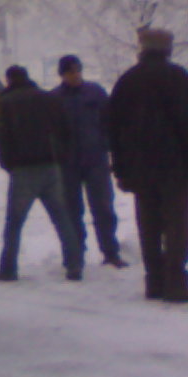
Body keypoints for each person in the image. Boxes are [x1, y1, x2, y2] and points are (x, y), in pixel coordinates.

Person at [108, 28, 188, 302]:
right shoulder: (178, 77)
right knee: (177, 225)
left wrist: (120, 168)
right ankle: (176, 283)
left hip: (139, 168)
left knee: (149, 224)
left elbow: (112, 128)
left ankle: (153, 283)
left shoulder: (126, 81)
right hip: (174, 167)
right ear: (167, 49)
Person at [0, 65, 83, 282]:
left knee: (15, 222)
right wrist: (61, 157)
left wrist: (7, 163)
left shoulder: (5, 104)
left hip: (22, 169)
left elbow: (1, 137)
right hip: (51, 166)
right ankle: (75, 265)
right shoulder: (49, 99)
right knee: (62, 217)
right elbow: (66, 130)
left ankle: (9, 268)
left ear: (9, 80)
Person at [55, 54, 127, 268]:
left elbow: (110, 121)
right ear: (62, 75)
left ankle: (110, 252)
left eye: (77, 70)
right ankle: (76, 254)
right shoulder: (55, 99)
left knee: (103, 208)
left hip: (95, 160)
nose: (75, 75)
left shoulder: (95, 93)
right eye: (70, 72)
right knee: (71, 210)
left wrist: (107, 146)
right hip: (67, 163)